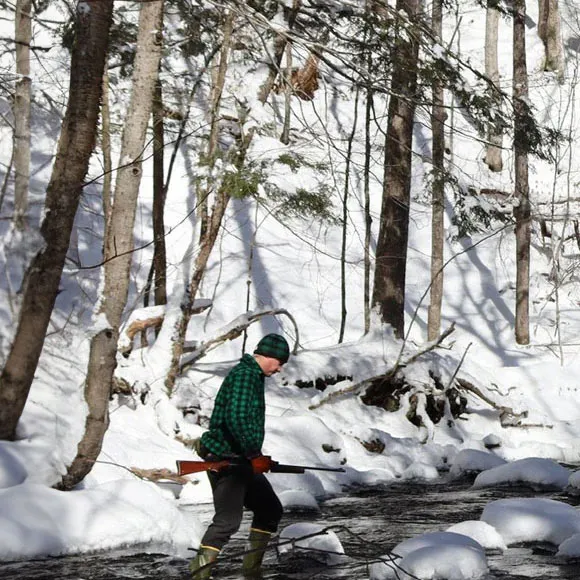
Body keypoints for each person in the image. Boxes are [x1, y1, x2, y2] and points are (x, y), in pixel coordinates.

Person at [190, 333, 291, 579]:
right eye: (280, 362)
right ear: (269, 357)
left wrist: (255, 457)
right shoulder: (245, 376)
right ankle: (198, 574)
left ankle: (251, 571)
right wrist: (254, 454)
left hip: (241, 459)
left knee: (269, 510)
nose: (280, 369)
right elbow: (236, 418)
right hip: (228, 461)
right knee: (227, 522)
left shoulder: (254, 377)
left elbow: (242, 419)